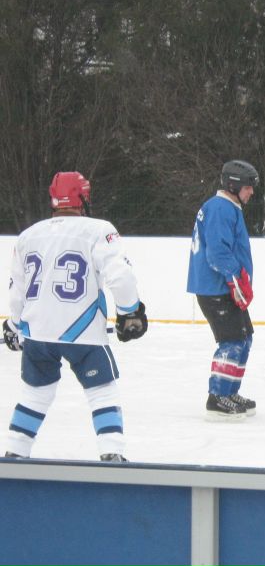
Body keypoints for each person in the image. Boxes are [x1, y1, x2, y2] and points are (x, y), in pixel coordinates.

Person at [3, 171, 148, 461]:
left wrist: (13, 325)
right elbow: (120, 275)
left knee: (35, 394)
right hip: (82, 332)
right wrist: (129, 311)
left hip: (37, 334)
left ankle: (15, 454)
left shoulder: (28, 235)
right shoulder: (98, 230)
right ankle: (111, 453)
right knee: (102, 392)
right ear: (83, 196)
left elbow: (17, 289)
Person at [187, 160, 259, 421]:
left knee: (244, 337)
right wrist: (236, 280)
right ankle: (217, 398)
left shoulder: (227, 207)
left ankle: (229, 392)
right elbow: (217, 253)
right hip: (215, 287)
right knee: (232, 341)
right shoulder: (220, 208)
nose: (251, 192)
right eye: (249, 187)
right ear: (234, 185)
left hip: (223, 287)